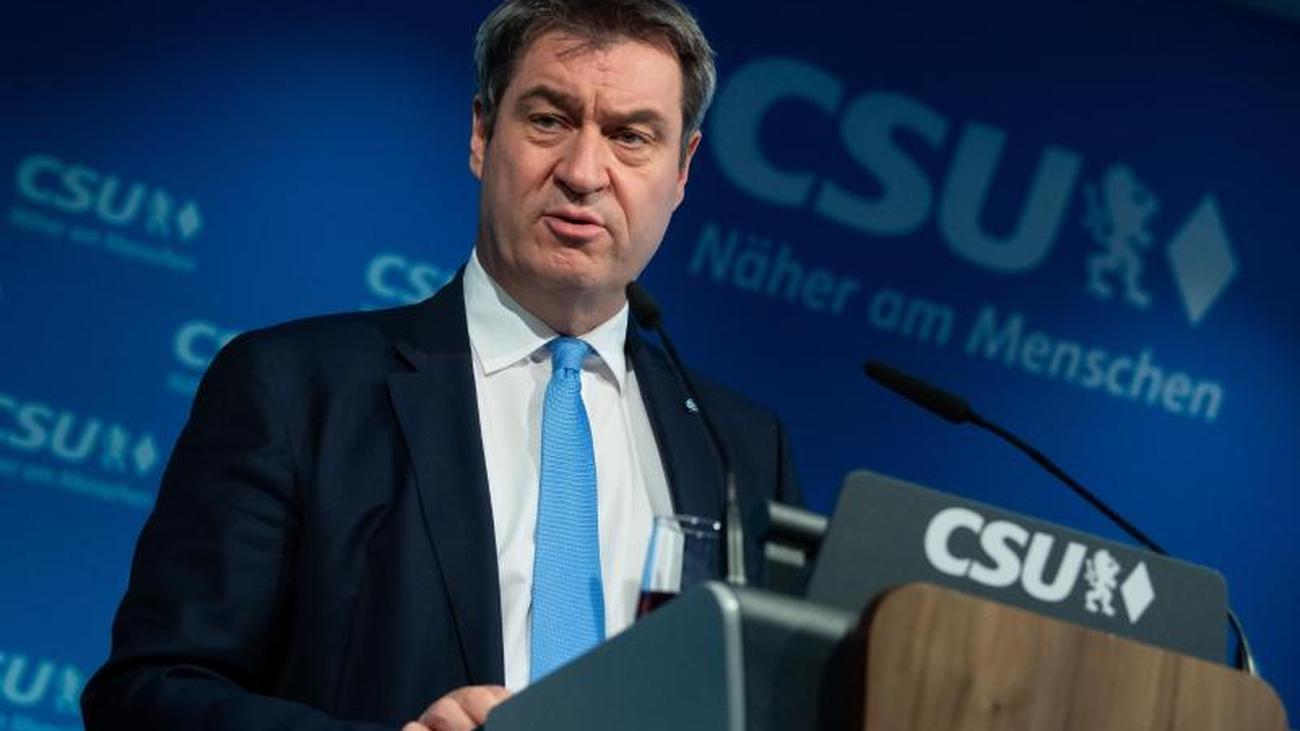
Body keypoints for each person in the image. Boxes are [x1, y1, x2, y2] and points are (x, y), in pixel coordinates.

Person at [81, 1, 802, 729]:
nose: (584, 172)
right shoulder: (295, 390)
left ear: (681, 170)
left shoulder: (742, 450)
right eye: (549, 120)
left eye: (630, 136)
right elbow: (151, 694)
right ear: (482, 134)